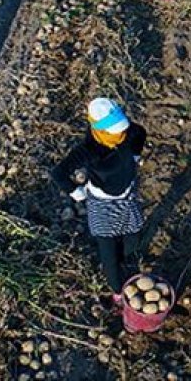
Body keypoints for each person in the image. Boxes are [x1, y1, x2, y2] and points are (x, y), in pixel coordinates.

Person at [52, 98, 147, 305]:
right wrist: (75, 192)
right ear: (100, 130)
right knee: (108, 250)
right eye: (115, 132)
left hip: (128, 197)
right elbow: (58, 173)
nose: (121, 136)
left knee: (134, 238)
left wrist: (135, 157)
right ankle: (117, 291)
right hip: (103, 203)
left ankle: (127, 261)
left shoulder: (128, 133)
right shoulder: (90, 149)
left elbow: (140, 132)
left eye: (122, 131)